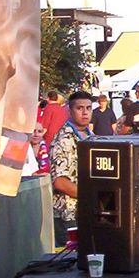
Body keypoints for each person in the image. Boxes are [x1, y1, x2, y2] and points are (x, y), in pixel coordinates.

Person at [48, 90, 95, 245]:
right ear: (69, 111)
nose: (85, 112)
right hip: (68, 214)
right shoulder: (63, 139)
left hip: (87, 212)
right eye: (79, 108)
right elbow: (60, 182)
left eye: (88, 108)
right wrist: (92, 196)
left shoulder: (91, 135)